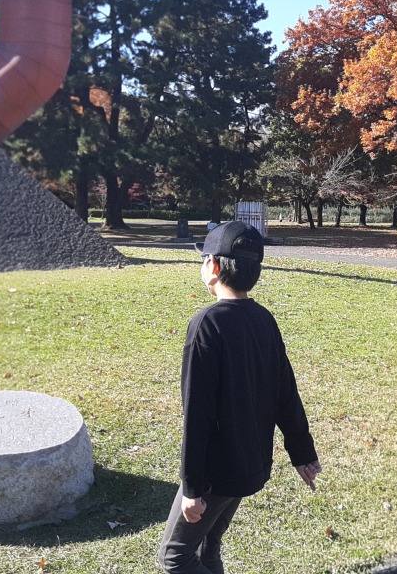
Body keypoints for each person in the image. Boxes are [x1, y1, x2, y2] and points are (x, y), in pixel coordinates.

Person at [158, 221, 322, 574]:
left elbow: (197, 414)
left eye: (203, 259)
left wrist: (192, 488)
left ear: (213, 266)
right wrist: (303, 452)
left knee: (175, 557)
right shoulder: (264, 319)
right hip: (249, 465)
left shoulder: (207, 324)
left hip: (215, 474)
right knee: (208, 547)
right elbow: (286, 393)